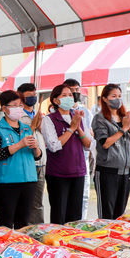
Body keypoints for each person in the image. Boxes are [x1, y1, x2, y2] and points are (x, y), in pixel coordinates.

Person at [0, 90, 42, 229]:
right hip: (7, 182)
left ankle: (21, 248)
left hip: (28, 180)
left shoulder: (26, 128)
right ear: (4, 108)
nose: (19, 109)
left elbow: (37, 156)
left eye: (20, 105)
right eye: (14, 105)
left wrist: (36, 148)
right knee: (6, 222)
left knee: (23, 223)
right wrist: (19, 145)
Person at [42, 84, 93, 224]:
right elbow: (54, 146)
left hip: (78, 171)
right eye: (64, 95)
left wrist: (78, 127)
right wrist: (71, 128)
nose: (69, 98)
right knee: (59, 214)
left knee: (75, 216)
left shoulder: (77, 117)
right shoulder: (49, 119)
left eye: (70, 95)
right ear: (55, 100)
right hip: (58, 174)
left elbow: (89, 145)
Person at [92, 84, 130, 219]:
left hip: (126, 171)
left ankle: (117, 239)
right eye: (113, 96)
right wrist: (123, 129)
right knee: (107, 214)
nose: (117, 99)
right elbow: (105, 144)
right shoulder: (99, 118)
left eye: (119, 96)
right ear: (105, 99)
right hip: (108, 171)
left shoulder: (125, 117)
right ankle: (106, 238)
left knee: (120, 214)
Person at [64, 78, 94, 219]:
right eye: (72, 90)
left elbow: (90, 135)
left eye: (77, 89)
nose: (75, 92)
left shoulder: (85, 112)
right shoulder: (59, 111)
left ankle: (81, 222)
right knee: (67, 196)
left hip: (83, 156)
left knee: (84, 195)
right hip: (66, 157)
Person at [18, 83, 46, 224]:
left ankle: (38, 229)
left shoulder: (37, 113)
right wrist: (33, 126)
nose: (33, 98)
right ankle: (25, 229)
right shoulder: (18, 115)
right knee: (27, 201)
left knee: (38, 201)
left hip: (41, 161)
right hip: (27, 162)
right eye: (29, 96)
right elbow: (22, 135)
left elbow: (43, 135)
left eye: (34, 95)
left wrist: (40, 125)